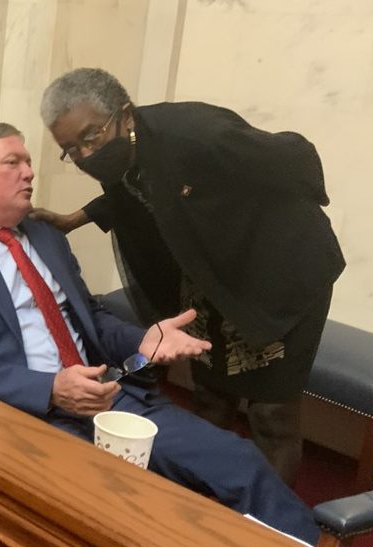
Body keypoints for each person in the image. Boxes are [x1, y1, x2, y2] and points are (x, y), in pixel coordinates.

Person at [0, 122, 321, 544]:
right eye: (13, 162)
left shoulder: (44, 236)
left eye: (29, 162)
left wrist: (142, 340)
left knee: (239, 461)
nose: (30, 172)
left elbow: (92, 318)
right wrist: (49, 389)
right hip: (21, 416)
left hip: (109, 396)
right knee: (127, 509)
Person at [36, 68, 346, 487]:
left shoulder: (197, 133)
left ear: (124, 114)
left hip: (281, 275)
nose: (86, 154)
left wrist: (278, 222)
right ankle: (196, 505)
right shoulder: (126, 149)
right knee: (210, 397)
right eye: (71, 150)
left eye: (91, 137)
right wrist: (75, 219)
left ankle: (267, 520)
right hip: (214, 280)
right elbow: (138, 190)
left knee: (271, 414)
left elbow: (296, 158)